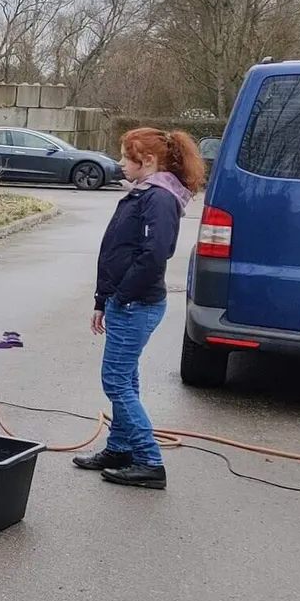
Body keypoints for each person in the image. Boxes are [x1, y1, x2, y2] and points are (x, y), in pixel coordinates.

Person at [75, 127, 207, 490]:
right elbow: (118, 251)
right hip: (125, 303)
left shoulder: (159, 199)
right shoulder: (144, 194)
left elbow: (154, 255)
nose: (119, 164)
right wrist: (103, 301)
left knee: (116, 381)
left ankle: (149, 460)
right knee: (126, 377)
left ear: (147, 160)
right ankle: (119, 448)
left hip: (136, 304)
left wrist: (120, 297)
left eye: (125, 157)